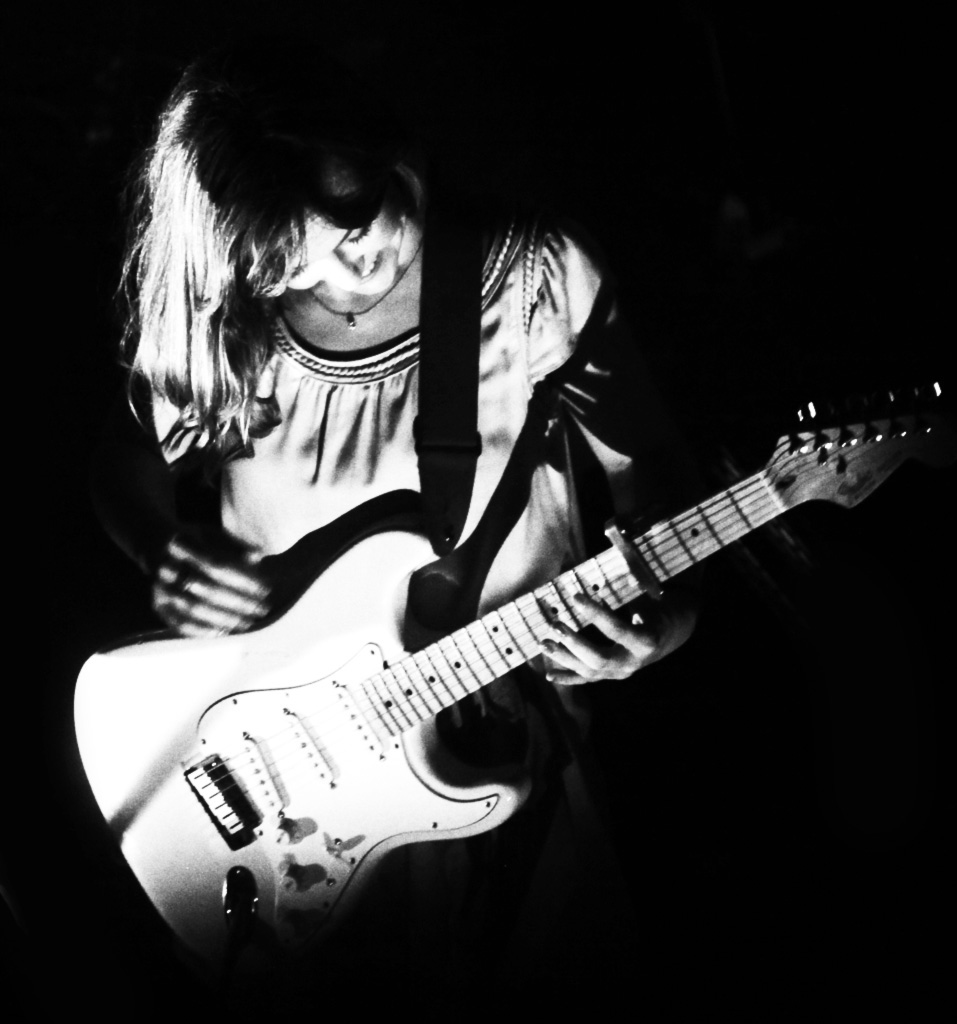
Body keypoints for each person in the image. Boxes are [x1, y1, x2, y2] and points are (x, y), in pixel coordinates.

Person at [90, 39, 702, 1009]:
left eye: (374, 190)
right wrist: (155, 541)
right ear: (249, 242)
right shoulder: (223, 315)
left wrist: (662, 626)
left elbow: (657, 476)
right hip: (272, 795)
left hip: (503, 778)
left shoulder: (534, 275)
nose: (372, 237)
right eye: (323, 238)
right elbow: (120, 455)